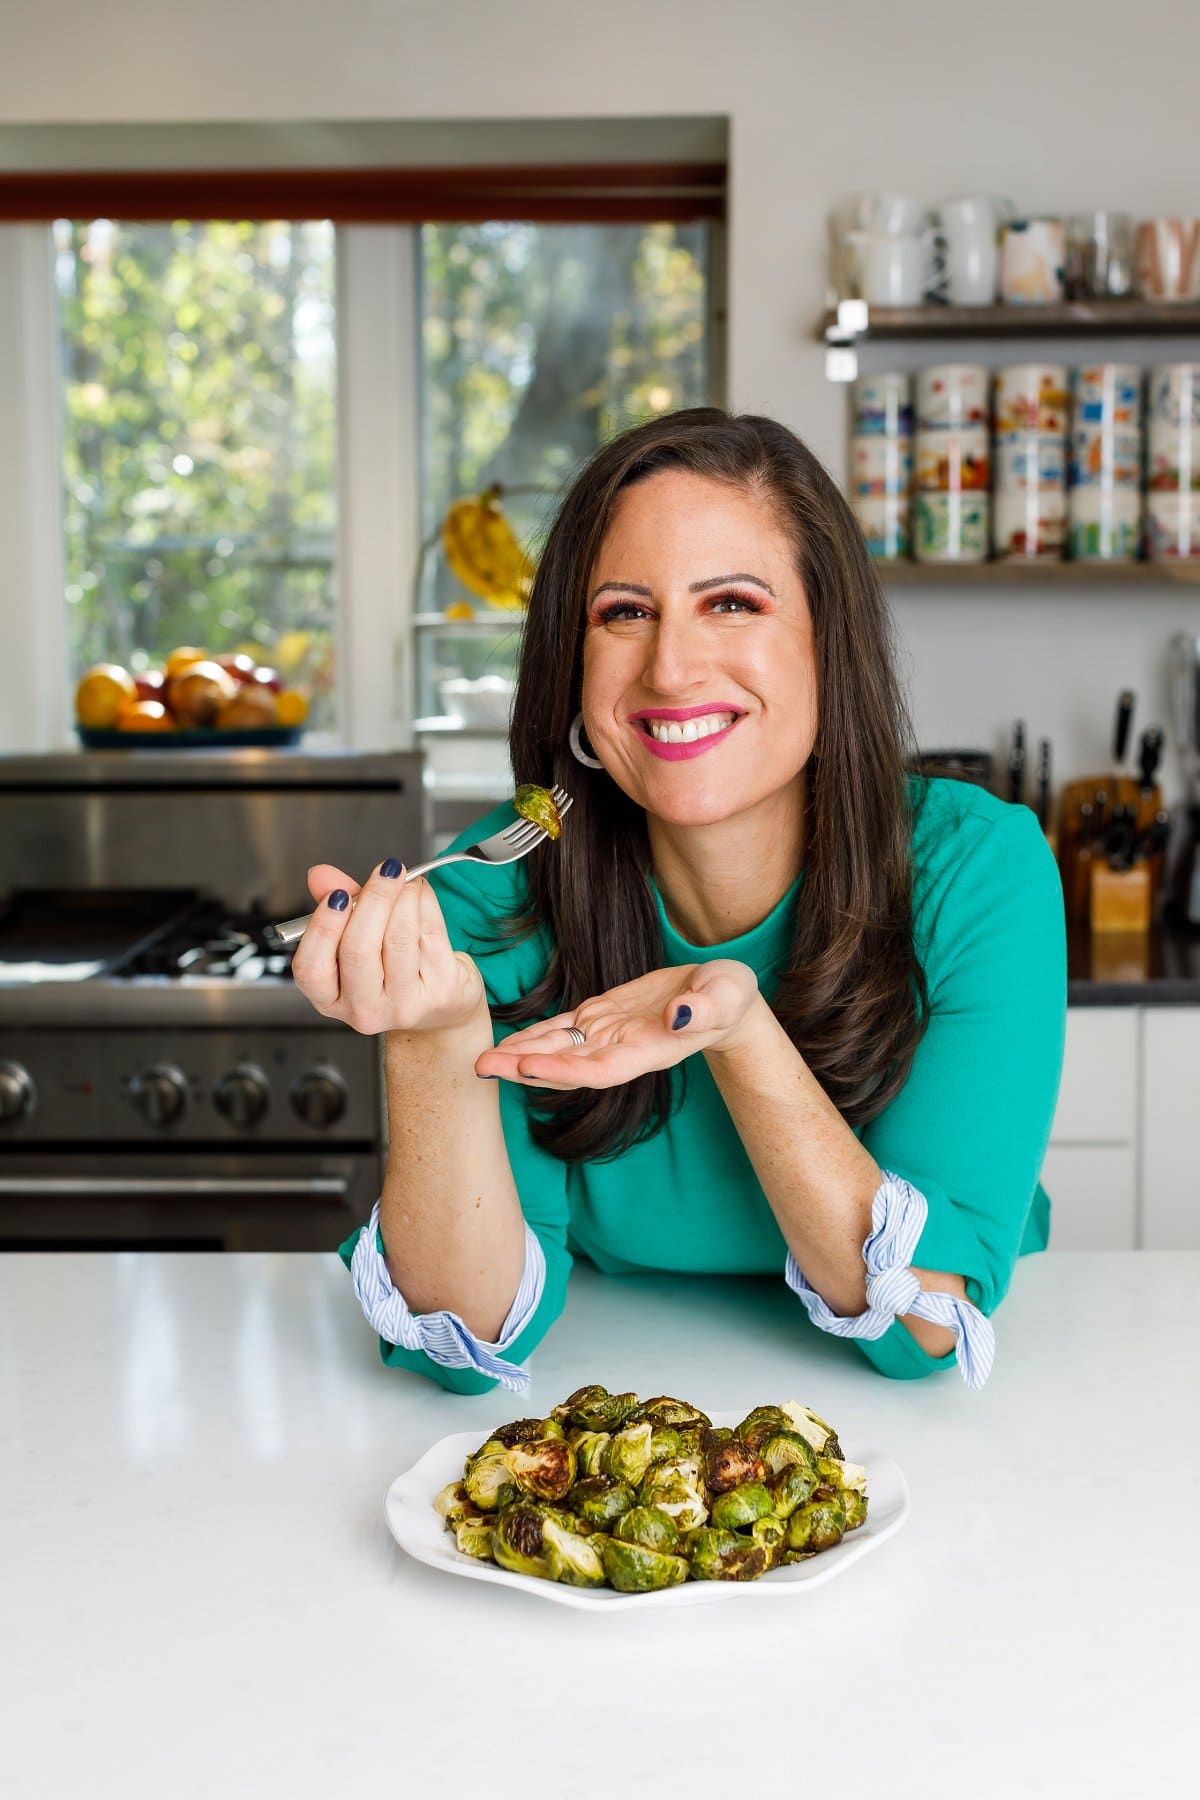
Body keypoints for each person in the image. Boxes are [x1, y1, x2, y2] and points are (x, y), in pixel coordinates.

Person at [291, 408, 1066, 1397]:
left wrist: (737, 1029)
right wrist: (432, 1036)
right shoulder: (496, 887)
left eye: (733, 603)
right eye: (624, 612)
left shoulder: (978, 869)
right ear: (572, 669)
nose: (670, 668)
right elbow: (467, 1341)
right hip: (610, 1394)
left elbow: (923, 1323)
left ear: (831, 642)